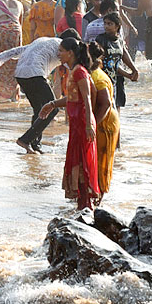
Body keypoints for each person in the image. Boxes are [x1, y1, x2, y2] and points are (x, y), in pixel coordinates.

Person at [38, 37, 100, 210]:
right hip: (77, 121)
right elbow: (73, 98)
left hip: (82, 121)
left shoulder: (79, 71)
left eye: (61, 51)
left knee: (82, 161)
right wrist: (51, 104)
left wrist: (88, 125)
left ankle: (86, 204)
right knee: (78, 159)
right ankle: (82, 204)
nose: (58, 54)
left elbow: (87, 99)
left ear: (70, 53)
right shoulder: (74, 71)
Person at [87, 40, 120, 203]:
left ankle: (99, 198)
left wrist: (93, 125)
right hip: (99, 120)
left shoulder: (97, 76)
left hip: (105, 122)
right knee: (94, 160)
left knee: (102, 160)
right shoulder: (91, 73)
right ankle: (93, 196)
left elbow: (105, 103)